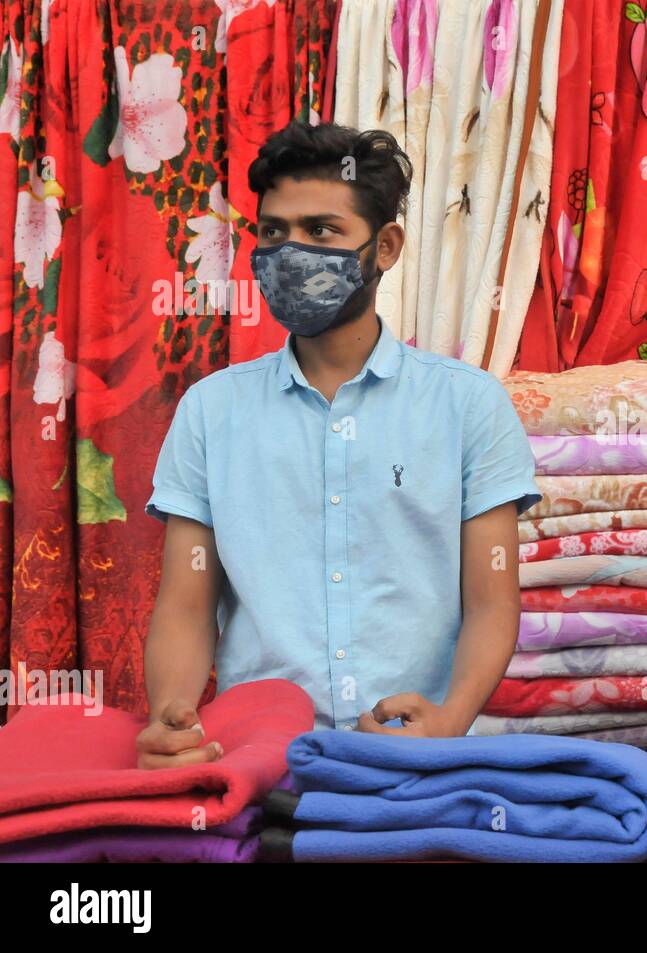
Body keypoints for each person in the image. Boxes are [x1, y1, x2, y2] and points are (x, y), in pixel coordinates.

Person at [135, 122, 540, 768]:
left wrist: (448, 722)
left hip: (415, 765)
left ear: (385, 247)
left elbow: (493, 600)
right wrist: (172, 717)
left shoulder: (468, 407)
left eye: (321, 231)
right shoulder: (209, 414)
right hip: (260, 764)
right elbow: (185, 606)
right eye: (273, 232)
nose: (290, 251)